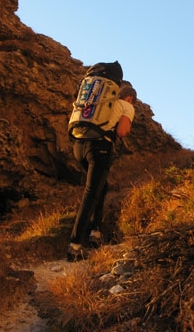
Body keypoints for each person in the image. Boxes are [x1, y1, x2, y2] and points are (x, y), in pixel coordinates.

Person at [67, 84, 137, 262]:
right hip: (100, 147)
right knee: (91, 191)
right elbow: (121, 132)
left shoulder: (103, 102)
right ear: (130, 99)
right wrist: (126, 126)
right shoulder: (126, 106)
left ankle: (95, 232)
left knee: (101, 186)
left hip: (79, 146)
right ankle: (75, 245)